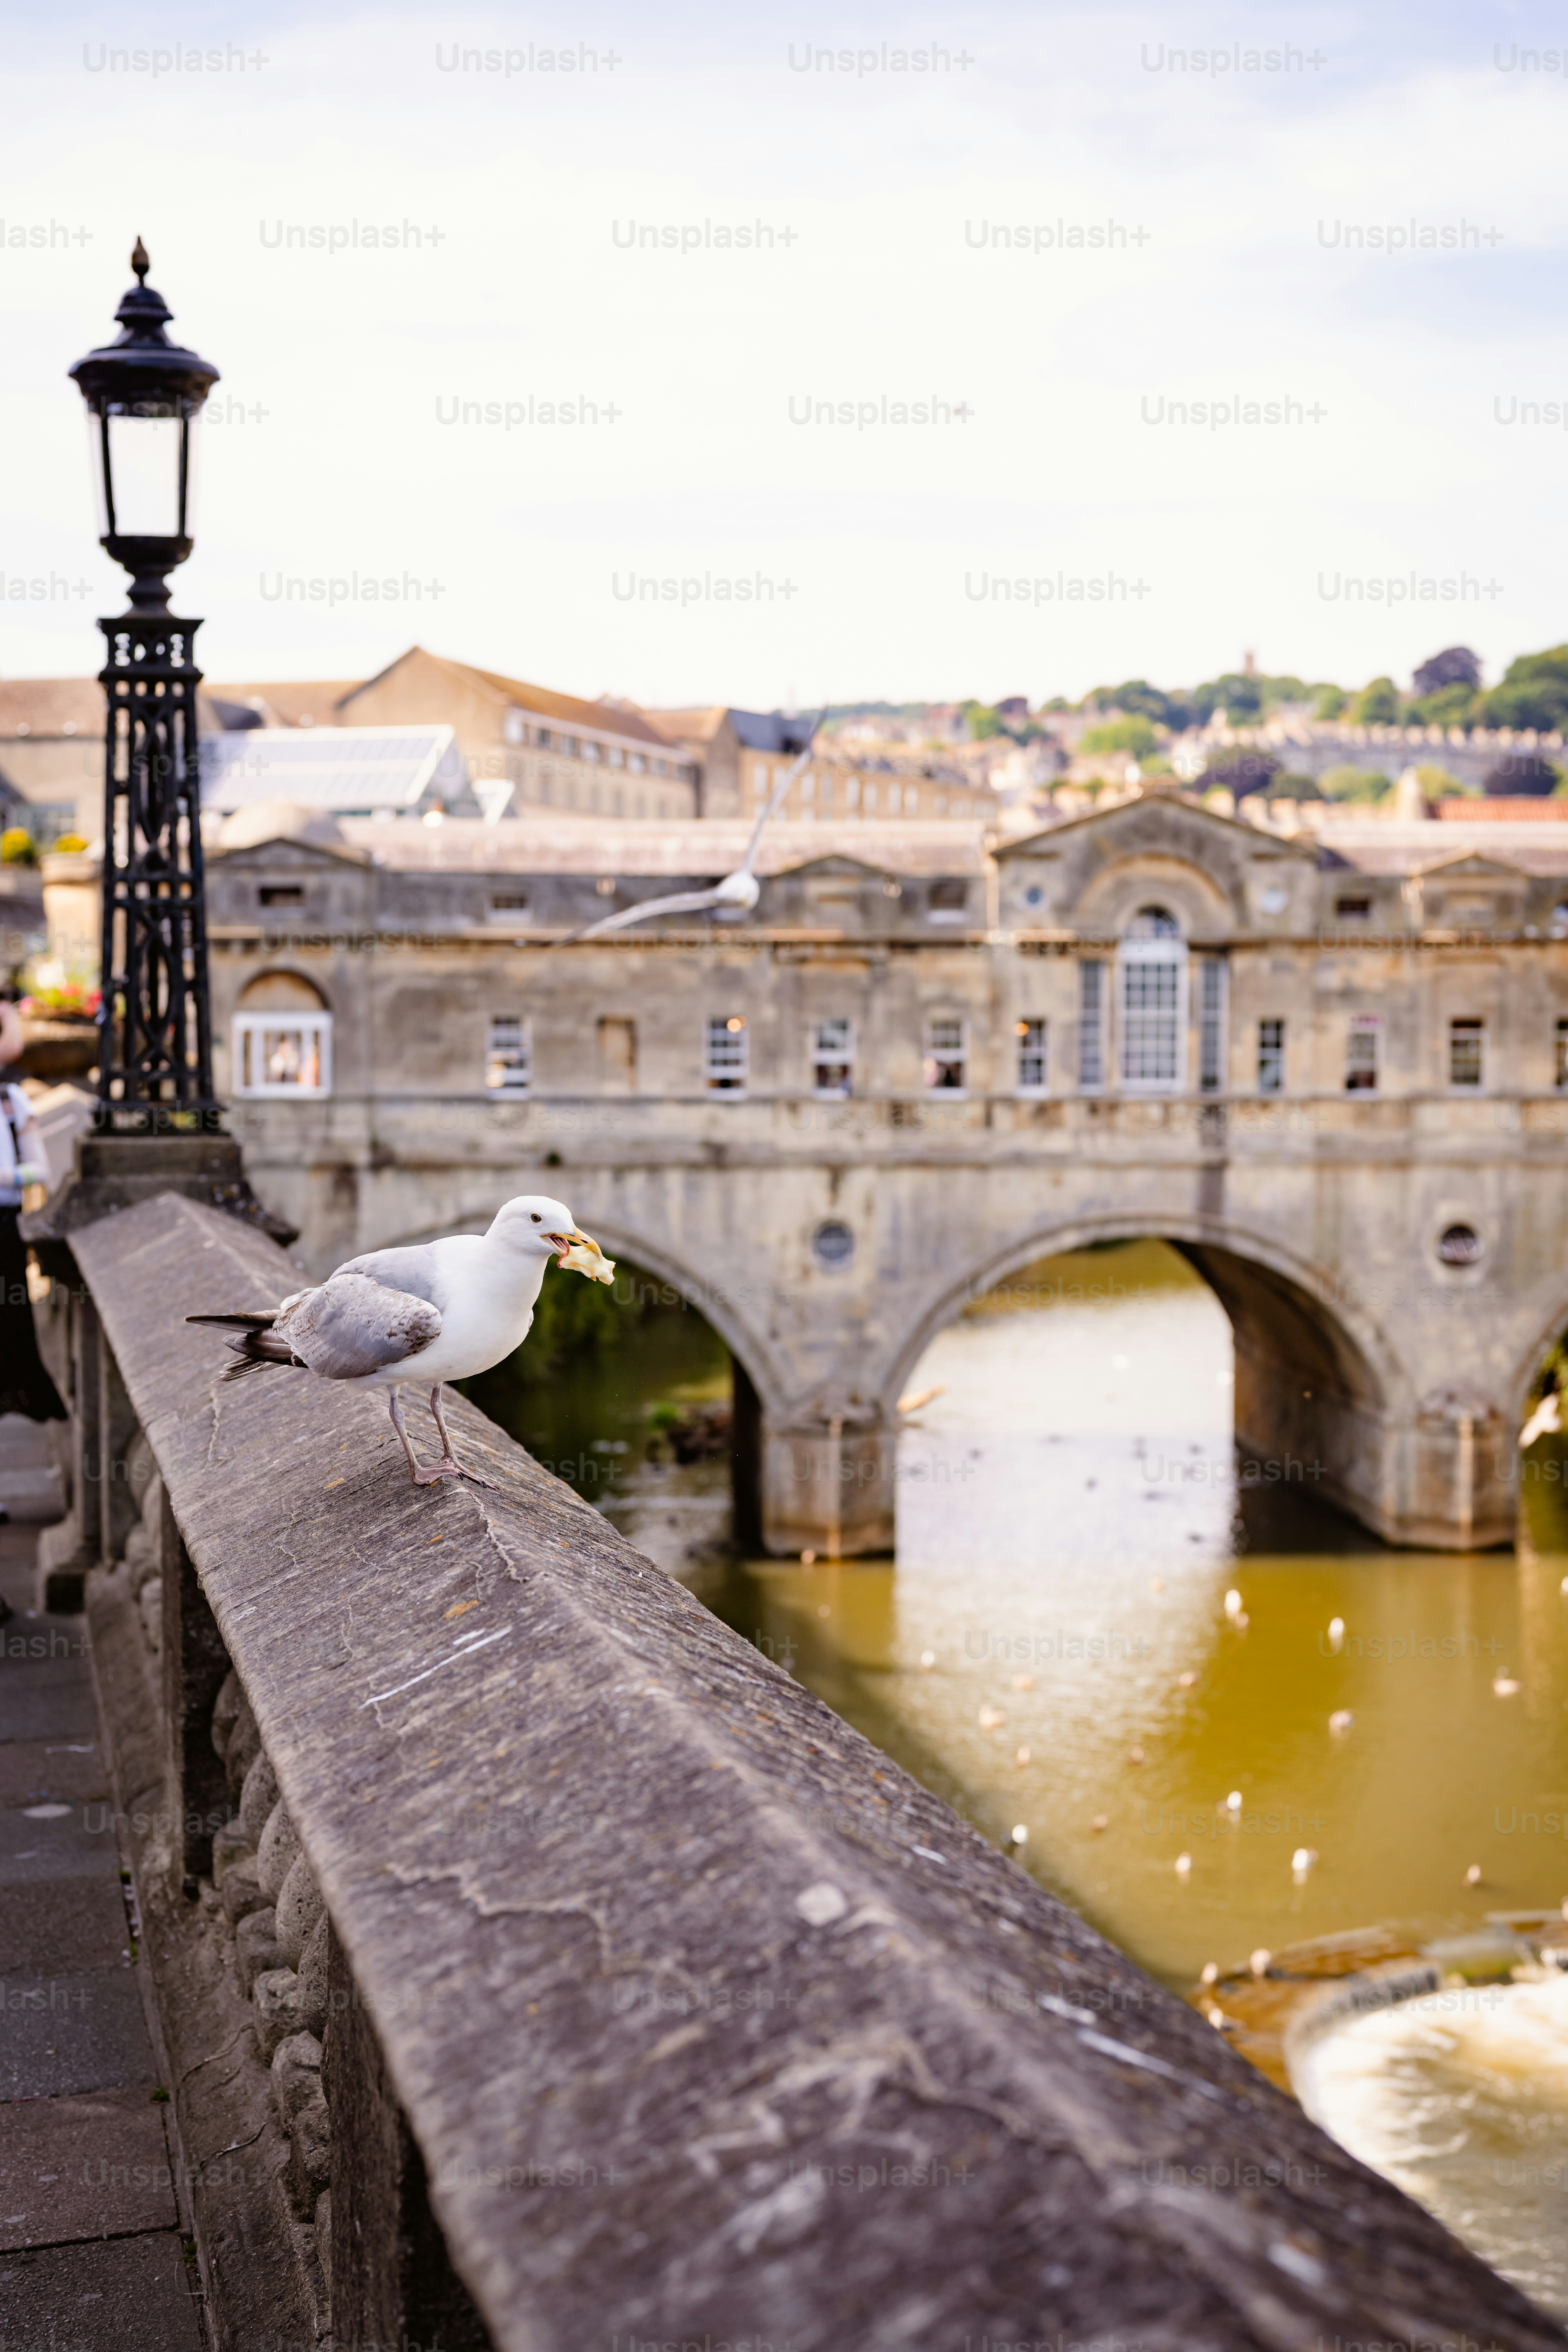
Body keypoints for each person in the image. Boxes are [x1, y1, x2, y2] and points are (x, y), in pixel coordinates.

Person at [0, 998, 65, 1422]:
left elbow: (40, 1169)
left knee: (10, 1321)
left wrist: (8, 1177)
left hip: (3, 1227)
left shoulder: (12, 1099)